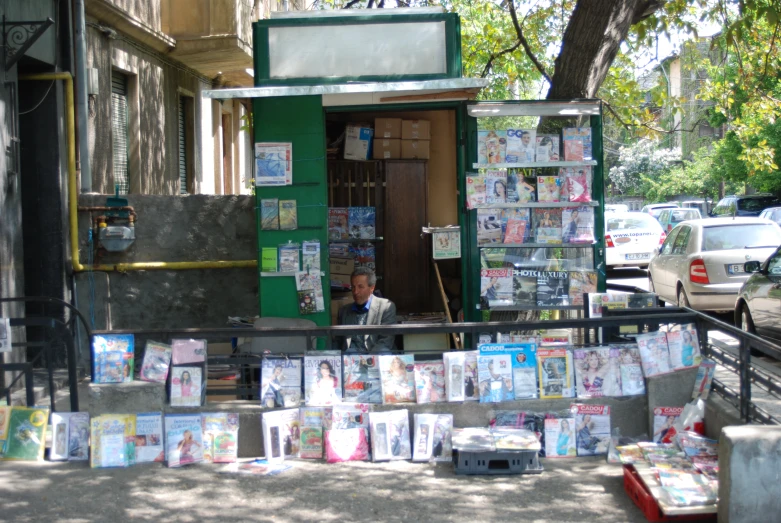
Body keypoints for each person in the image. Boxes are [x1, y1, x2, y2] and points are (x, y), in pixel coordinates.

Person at [335, 267, 397, 353]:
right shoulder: (344, 311)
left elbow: (385, 341)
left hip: (377, 355)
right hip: (351, 358)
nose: (355, 292)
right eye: (353, 287)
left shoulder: (386, 307)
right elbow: (337, 341)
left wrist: (367, 360)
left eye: (360, 287)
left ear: (372, 288)